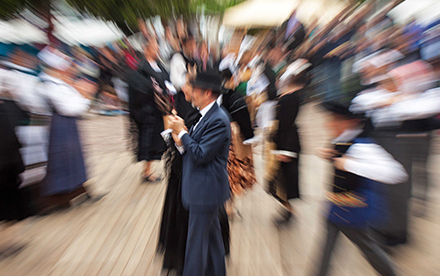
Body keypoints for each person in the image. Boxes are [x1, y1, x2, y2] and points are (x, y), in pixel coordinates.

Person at [315, 101, 408, 276]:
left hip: (353, 212)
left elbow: (396, 172)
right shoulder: (341, 141)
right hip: (336, 207)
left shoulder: (362, 146)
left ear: (347, 123)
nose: (327, 125)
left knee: (369, 249)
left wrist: (350, 164)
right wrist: (331, 156)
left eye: (333, 121)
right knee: (327, 248)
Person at [158, 81, 230, 275]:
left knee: (195, 247)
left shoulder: (217, 119)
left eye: (194, 90)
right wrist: (179, 138)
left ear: (207, 93)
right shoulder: (206, 115)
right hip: (203, 189)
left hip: (205, 192)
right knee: (213, 241)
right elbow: (193, 148)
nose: (190, 93)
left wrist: (182, 131)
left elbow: (201, 155)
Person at [36, 46, 98, 211]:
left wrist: (82, 97)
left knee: (73, 159)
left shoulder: (58, 83)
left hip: (66, 125)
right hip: (58, 126)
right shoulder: (48, 85)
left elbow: (74, 103)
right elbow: (69, 107)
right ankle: (60, 197)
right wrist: (85, 97)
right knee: (62, 161)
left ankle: (77, 190)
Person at [266, 64, 307, 226]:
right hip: (282, 142)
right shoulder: (289, 95)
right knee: (280, 181)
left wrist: (285, 150)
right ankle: (287, 210)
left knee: (283, 182)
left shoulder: (290, 98)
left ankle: (289, 212)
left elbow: (287, 125)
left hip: (286, 145)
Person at [128, 38, 170, 182]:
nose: (157, 50)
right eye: (154, 47)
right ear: (146, 49)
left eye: (158, 47)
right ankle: (146, 172)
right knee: (149, 140)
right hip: (147, 111)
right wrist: (152, 89)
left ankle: (148, 170)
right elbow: (138, 89)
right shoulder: (140, 69)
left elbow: (166, 81)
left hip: (160, 110)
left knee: (156, 140)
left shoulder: (160, 66)